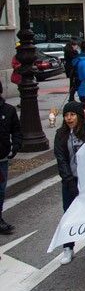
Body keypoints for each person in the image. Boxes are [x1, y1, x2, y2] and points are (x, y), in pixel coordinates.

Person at [54, 102, 85, 264]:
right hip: (70, 181)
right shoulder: (60, 134)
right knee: (69, 213)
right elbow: (61, 159)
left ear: (79, 116)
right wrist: (69, 181)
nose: (69, 118)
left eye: (72, 115)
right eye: (66, 115)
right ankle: (68, 247)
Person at [0, 81, 21, 234]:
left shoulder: (8, 110)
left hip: (2, 158)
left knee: (1, 190)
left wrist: (16, 145)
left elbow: (16, 130)